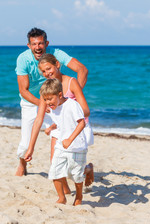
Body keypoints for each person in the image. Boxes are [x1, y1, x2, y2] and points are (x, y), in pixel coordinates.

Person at [15, 27, 88, 176]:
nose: (38, 47)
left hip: (55, 100)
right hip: (31, 101)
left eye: (41, 43)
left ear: (46, 43)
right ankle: (22, 164)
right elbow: (23, 90)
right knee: (25, 141)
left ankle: (68, 168)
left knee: (62, 135)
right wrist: (42, 104)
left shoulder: (56, 54)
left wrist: (74, 96)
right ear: (29, 46)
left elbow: (82, 70)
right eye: (34, 44)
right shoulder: (23, 59)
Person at [25, 78, 88, 206]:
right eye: (45, 100)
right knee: (55, 171)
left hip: (77, 146)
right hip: (61, 145)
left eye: (50, 99)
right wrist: (51, 128)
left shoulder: (72, 105)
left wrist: (70, 140)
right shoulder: (54, 107)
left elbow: (81, 123)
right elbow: (61, 121)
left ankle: (79, 196)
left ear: (59, 95)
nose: (48, 103)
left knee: (76, 175)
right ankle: (62, 198)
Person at [38, 53, 94, 188]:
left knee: (72, 167)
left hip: (75, 127)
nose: (46, 73)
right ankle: (66, 193)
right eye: (43, 71)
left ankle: (88, 169)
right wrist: (30, 146)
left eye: (48, 69)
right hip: (58, 128)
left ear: (57, 65)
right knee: (55, 163)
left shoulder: (71, 82)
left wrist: (69, 112)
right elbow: (40, 116)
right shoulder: (47, 87)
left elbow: (86, 111)